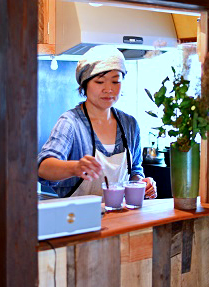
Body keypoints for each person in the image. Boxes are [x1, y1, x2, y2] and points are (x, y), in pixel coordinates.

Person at [38, 45, 157, 199]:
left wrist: (143, 184)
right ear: (85, 84)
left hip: (119, 217)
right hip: (77, 218)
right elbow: (42, 167)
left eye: (115, 82)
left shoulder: (130, 124)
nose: (108, 89)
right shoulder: (71, 123)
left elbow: (134, 171)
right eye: (100, 82)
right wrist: (75, 167)